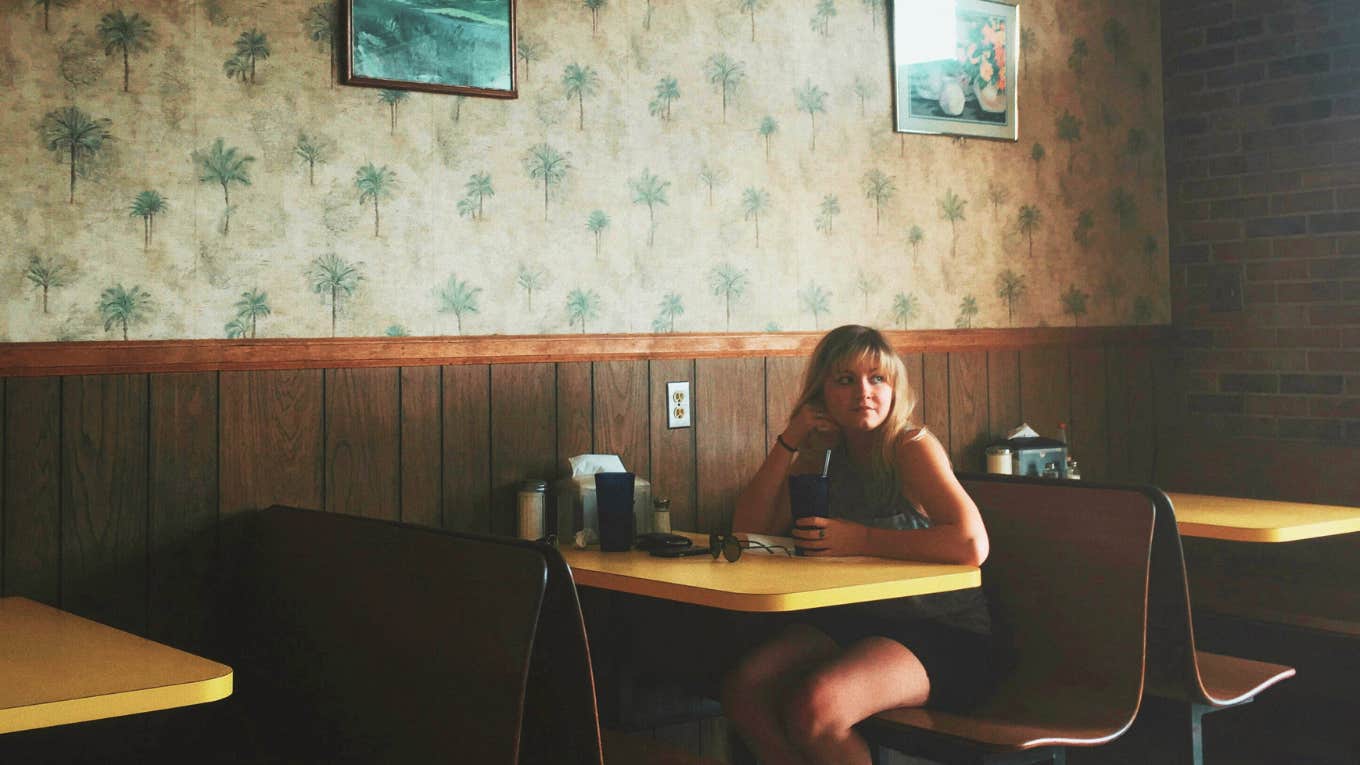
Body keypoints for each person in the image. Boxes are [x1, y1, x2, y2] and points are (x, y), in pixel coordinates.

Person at [722, 324, 992, 765]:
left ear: (894, 387)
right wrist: (792, 440)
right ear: (821, 393)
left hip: (944, 630)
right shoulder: (822, 453)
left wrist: (860, 538)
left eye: (877, 379)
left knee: (815, 705)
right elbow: (748, 533)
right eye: (845, 380)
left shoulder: (910, 446)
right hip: (859, 619)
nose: (863, 392)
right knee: (745, 688)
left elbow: (971, 544)